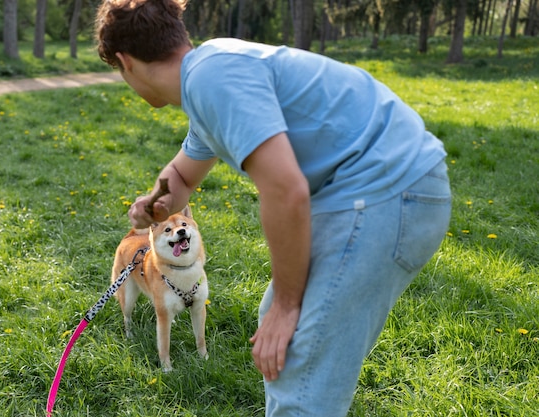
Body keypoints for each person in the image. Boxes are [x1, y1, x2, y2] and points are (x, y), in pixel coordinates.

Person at [94, 1, 452, 416]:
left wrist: (287, 305)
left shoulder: (213, 80)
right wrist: (153, 206)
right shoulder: (210, 73)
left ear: (125, 62)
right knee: (287, 331)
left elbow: (285, 192)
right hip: (392, 188)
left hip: (388, 192)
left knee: (296, 346)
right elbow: (183, 178)